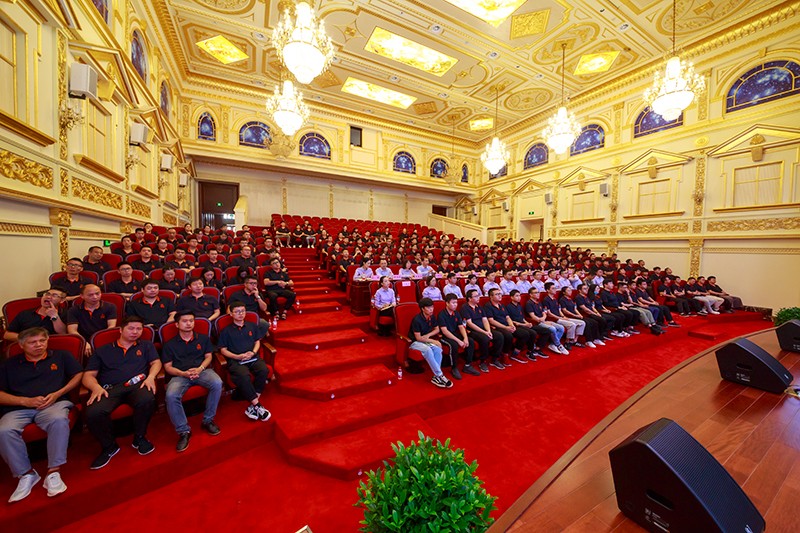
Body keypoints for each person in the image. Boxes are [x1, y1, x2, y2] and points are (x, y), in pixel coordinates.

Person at [0, 328, 82, 502]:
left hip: (53, 403)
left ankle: (53, 471)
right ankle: (26, 474)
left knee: (59, 420)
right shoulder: (9, 364)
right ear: (21, 345)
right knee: (4, 430)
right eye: (32, 342)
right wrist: (24, 401)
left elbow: (78, 375)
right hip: (19, 408)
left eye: (42, 341)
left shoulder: (61, 356)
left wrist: (58, 394)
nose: (38, 345)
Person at [83, 316, 161, 469]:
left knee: (147, 399)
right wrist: (95, 387)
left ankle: (139, 437)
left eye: (139, 329)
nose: (135, 332)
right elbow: (88, 375)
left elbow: (156, 362)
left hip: (137, 385)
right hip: (110, 389)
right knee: (93, 412)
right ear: (121, 330)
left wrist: (151, 377)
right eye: (131, 328)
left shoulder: (146, 345)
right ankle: (109, 446)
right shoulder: (103, 350)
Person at [162, 311, 223, 452]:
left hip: (201, 371)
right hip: (180, 375)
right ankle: (183, 431)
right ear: (177, 324)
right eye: (185, 321)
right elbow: (168, 367)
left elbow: (208, 357)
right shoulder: (169, 344)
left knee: (217, 383)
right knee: (171, 395)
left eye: (191, 320)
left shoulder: (203, 338)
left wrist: (200, 369)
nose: (189, 323)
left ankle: (208, 420)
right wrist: (183, 373)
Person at [217, 302, 271, 422]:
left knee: (263, 370)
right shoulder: (226, 331)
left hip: (252, 357)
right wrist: (237, 356)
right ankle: (257, 405)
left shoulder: (252, 326)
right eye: (237, 312)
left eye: (243, 311)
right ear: (231, 314)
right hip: (236, 360)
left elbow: (257, 341)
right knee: (243, 375)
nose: (240, 314)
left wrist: (253, 352)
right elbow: (223, 350)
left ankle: (254, 406)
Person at [408, 298, 453, 388]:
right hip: (415, 342)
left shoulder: (431, 317)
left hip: (425, 340)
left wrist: (428, 335)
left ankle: (436, 377)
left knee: (438, 349)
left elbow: (437, 329)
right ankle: (440, 375)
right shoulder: (417, 320)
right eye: (428, 308)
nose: (431, 309)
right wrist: (433, 341)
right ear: (422, 309)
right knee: (428, 350)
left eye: (432, 307)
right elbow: (418, 338)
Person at [485, 288, 536, 364]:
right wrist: (506, 327)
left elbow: (507, 317)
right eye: (497, 294)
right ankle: (505, 355)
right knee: (509, 336)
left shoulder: (501, 305)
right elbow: (491, 320)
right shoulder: (488, 306)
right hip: (497, 327)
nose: (499, 296)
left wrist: (512, 325)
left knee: (526, 334)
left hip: (507, 325)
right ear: (491, 296)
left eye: (500, 294)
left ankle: (516, 353)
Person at [67, 284, 118, 356]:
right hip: (83, 339)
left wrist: (98, 342)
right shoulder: (73, 310)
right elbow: (72, 330)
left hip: (104, 338)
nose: (95, 297)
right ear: (82, 296)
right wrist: (83, 342)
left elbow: (111, 327)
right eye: (90, 295)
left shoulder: (110, 307)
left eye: (97, 294)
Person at [460, 289, 504, 372]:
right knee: (485, 339)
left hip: (484, 329)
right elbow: (469, 323)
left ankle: (495, 358)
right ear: (469, 298)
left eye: (478, 295)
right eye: (476, 296)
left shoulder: (479, 307)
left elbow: (485, 320)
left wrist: (488, 331)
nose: (478, 297)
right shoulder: (465, 308)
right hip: (472, 331)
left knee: (499, 336)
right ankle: (482, 361)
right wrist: (485, 332)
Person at [3, 288, 67, 342]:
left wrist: (54, 316)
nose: (48, 297)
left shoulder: (65, 314)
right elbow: (7, 335)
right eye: (47, 294)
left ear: (62, 300)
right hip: (26, 348)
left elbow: (64, 333)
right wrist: (28, 340)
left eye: (54, 295)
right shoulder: (25, 314)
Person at [437, 294, 476, 378]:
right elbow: (445, 331)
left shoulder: (457, 313)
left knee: (470, 341)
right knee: (454, 345)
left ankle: (468, 365)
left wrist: (465, 338)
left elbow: (461, 327)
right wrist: (459, 341)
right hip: (444, 336)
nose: (455, 305)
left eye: (456, 303)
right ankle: (454, 368)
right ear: (447, 303)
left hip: (454, 333)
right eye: (453, 303)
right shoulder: (442, 314)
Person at [525, 287, 568, 355]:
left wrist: (544, 319)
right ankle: (558, 344)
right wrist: (543, 321)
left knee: (561, 327)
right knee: (552, 328)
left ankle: (553, 344)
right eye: (535, 293)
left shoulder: (538, 302)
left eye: (538, 292)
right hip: (537, 322)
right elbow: (533, 316)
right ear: (530, 294)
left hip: (544, 320)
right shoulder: (529, 303)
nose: (538, 294)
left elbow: (544, 313)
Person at [542, 282, 584, 349]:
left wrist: (563, 316)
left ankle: (574, 340)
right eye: (553, 288)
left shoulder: (555, 299)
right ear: (547, 290)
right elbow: (549, 313)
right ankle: (567, 342)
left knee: (582, 323)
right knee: (572, 325)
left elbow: (559, 310)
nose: (555, 290)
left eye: (555, 288)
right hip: (554, 319)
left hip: (560, 317)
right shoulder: (546, 300)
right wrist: (560, 318)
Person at [506, 289, 545, 361]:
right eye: (517, 296)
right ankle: (515, 353)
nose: (519, 297)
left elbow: (522, 318)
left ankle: (530, 351)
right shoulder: (508, 307)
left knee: (535, 332)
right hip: (515, 325)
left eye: (519, 296)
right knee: (526, 334)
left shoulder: (519, 306)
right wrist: (524, 324)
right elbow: (510, 320)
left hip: (523, 324)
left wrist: (527, 323)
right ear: (511, 297)